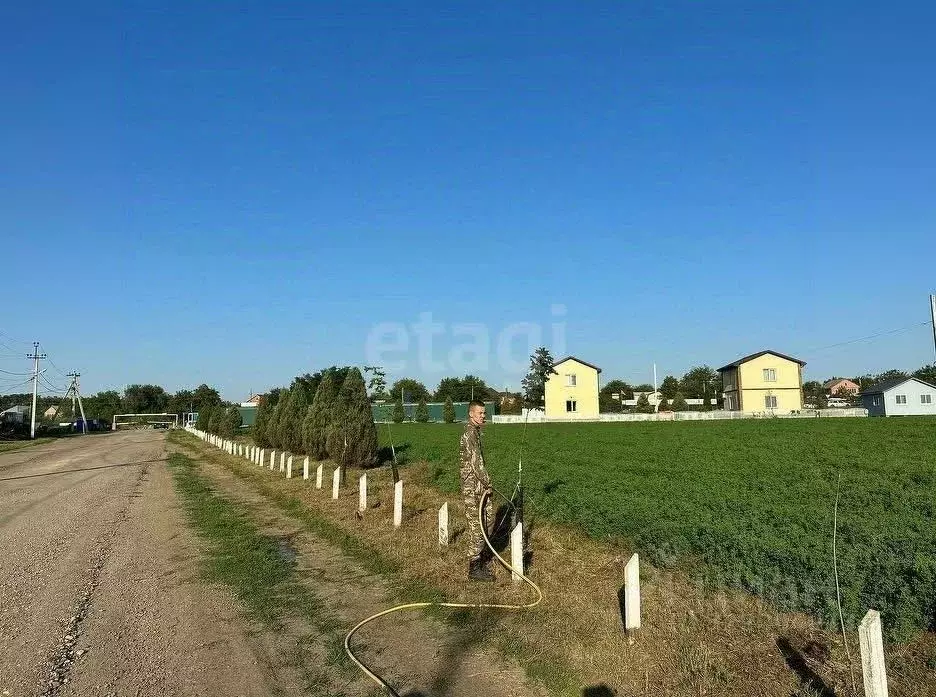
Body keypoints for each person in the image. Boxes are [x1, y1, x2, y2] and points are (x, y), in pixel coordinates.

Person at [459, 399, 494, 582]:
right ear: (471, 414)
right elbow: (475, 464)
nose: (483, 416)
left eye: (484, 413)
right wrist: (488, 483)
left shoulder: (475, 432)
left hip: (480, 487)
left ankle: (481, 558)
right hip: (473, 488)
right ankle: (474, 568)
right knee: (476, 526)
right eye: (480, 413)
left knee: (487, 520)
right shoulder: (469, 433)